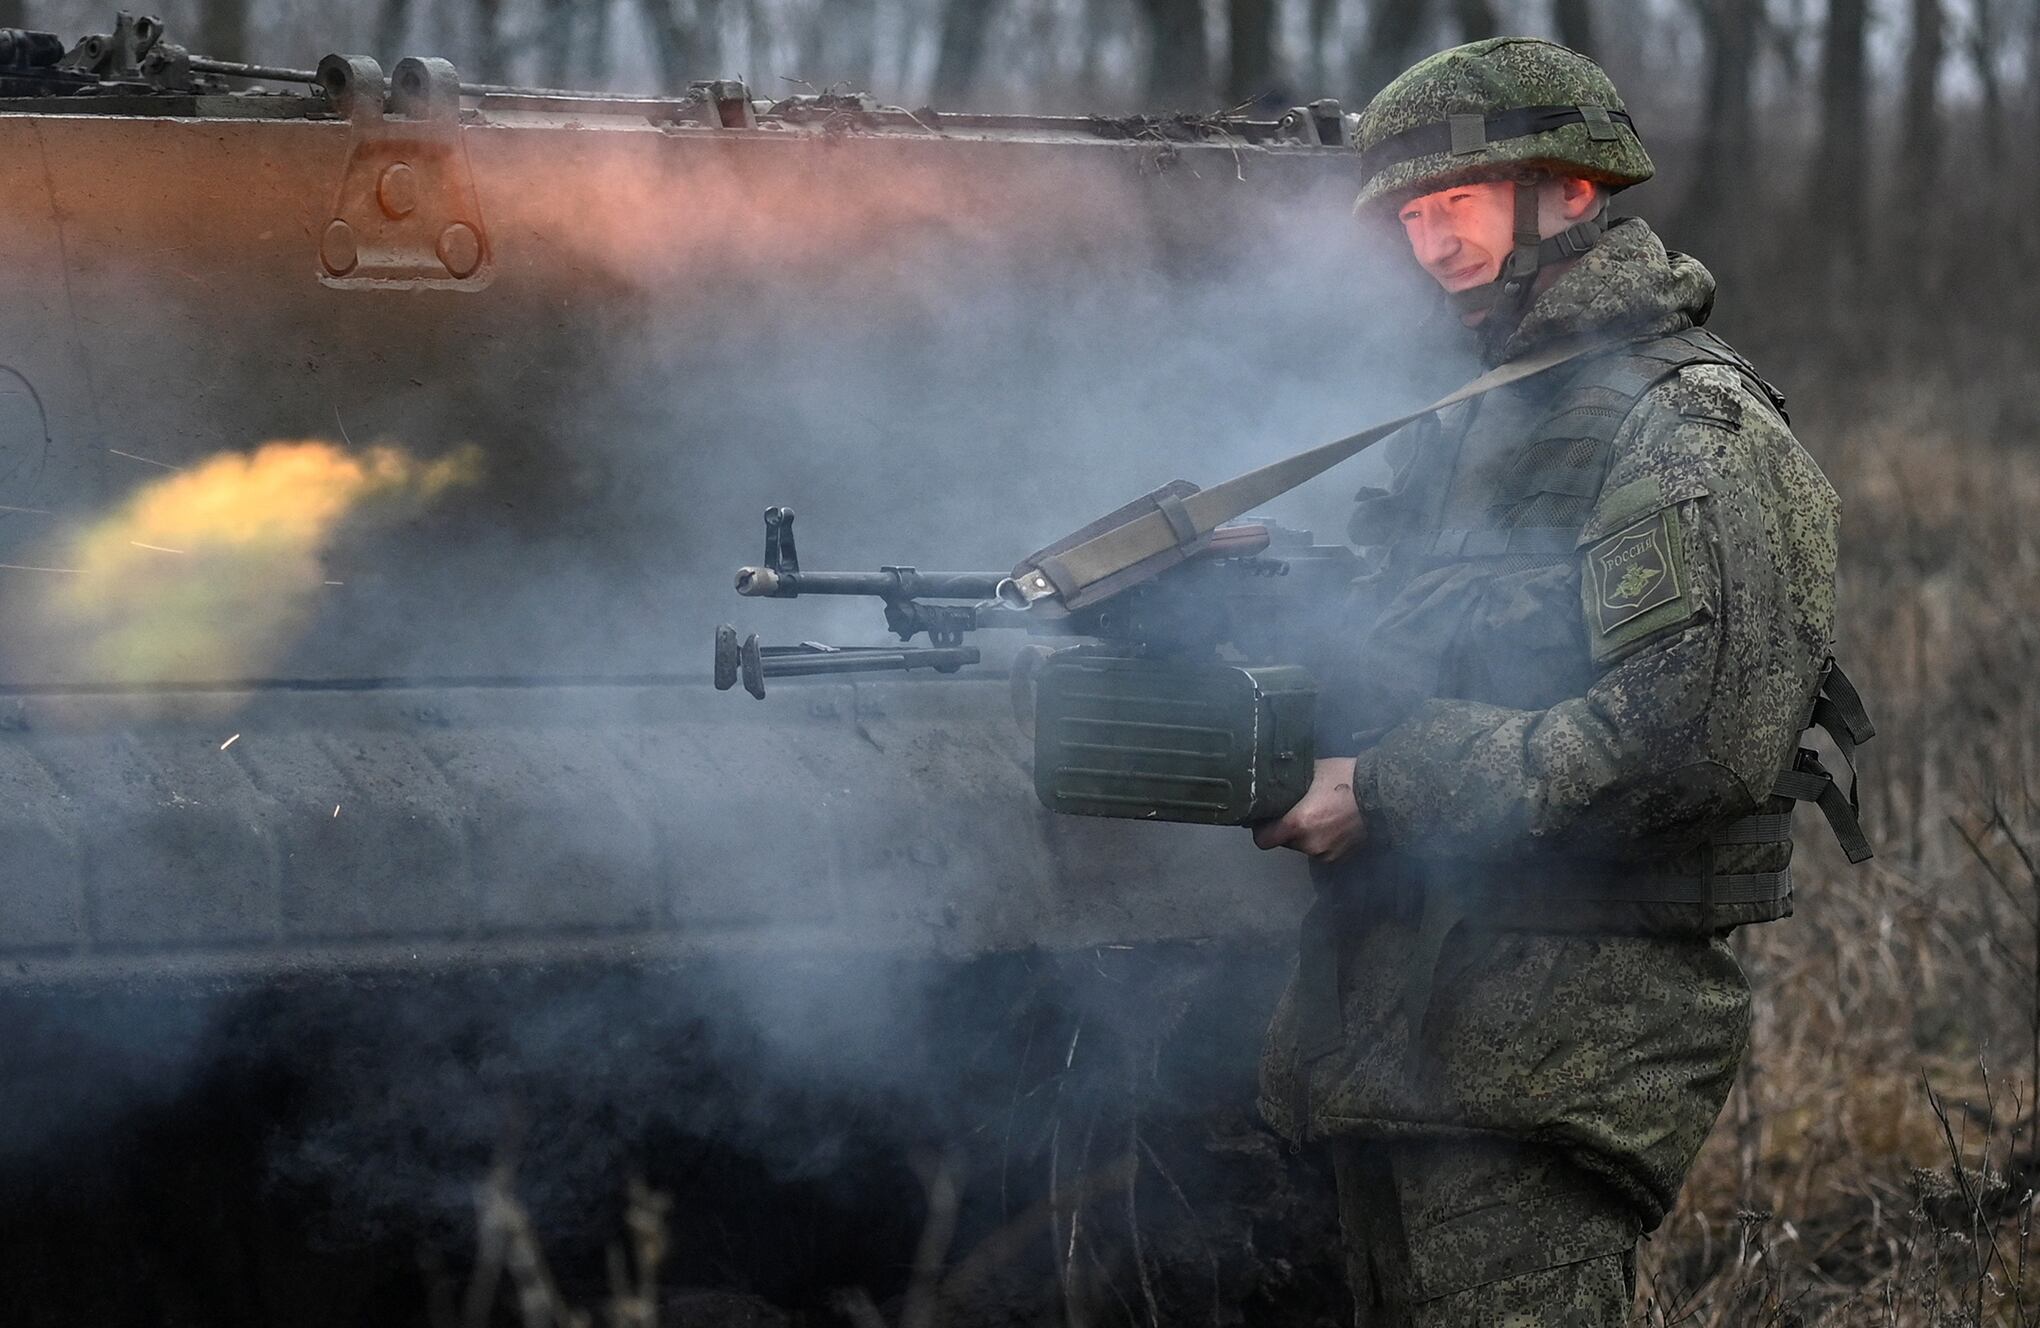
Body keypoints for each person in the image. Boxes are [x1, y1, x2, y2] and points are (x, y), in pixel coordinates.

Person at [1249, 37, 1874, 1327]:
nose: (1435, 243)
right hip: (1408, 1019)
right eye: (1415, 215)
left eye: (1460, 203)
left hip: (1562, 1031)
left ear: (1571, 191)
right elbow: (1404, 646)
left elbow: (1696, 730)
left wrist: (1391, 783)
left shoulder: (1689, 422)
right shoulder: (1472, 424)